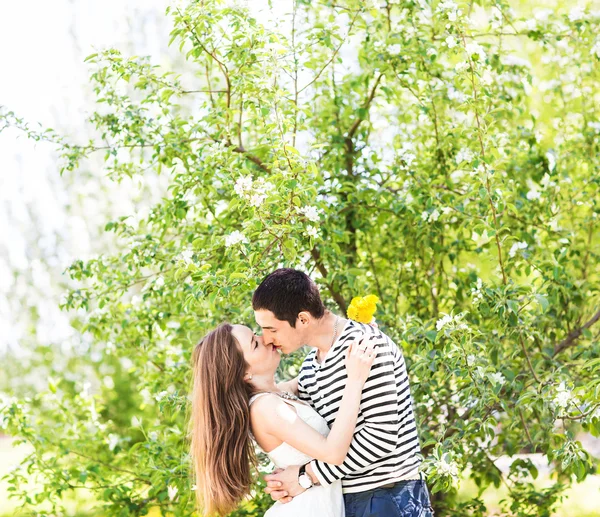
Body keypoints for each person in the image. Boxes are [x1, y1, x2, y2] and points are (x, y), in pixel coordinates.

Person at [253, 268, 434, 517]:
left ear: (303, 319)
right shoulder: (310, 368)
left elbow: (380, 437)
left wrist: (307, 477)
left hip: (387, 497)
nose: (267, 339)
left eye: (271, 329)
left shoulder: (365, 345)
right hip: (343, 502)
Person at [190, 321, 375, 516]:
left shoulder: (279, 394)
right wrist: (356, 380)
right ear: (244, 372)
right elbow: (333, 452)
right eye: (254, 343)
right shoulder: (266, 408)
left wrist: (354, 334)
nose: (265, 339)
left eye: (256, 334)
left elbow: (326, 368)